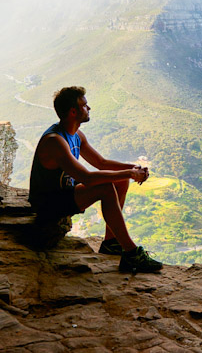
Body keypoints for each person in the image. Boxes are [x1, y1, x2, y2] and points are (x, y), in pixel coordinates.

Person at [28, 85, 162, 273]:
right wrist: (131, 174)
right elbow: (87, 178)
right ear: (73, 111)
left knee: (119, 181)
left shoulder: (75, 134)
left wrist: (131, 168)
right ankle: (132, 254)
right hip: (48, 203)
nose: (89, 108)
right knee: (106, 188)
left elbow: (101, 162)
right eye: (85, 105)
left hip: (65, 193)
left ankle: (111, 243)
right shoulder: (55, 141)